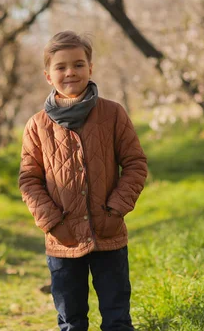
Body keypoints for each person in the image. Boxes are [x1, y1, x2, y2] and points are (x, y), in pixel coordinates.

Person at [18, 30, 148, 330]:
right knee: (71, 321)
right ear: (48, 76)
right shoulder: (37, 125)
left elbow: (135, 164)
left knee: (117, 318)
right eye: (60, 67)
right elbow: (29, 180)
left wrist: (115, 211)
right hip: (62, 240)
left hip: (109, 234)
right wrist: (52, 222)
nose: (70, 72)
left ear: (90, 68)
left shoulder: (113, 114)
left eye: (78, 64)